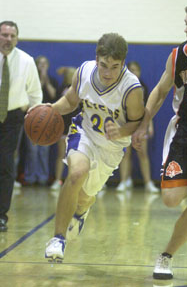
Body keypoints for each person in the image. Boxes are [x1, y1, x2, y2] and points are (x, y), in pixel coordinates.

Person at [33, 33, 145, 262]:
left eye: (114, 67)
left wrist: (122, 131)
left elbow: (137, 122)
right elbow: (72, 101)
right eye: (103, 65)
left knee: (84, 197)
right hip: (84, 132)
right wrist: (51, 109)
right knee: (76, 173)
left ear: (123, 63)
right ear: (96, 58)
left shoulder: (132, 88)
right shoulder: (84, 71)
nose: (107, 72)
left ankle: (82, 211)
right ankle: (58, 239)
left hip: (111, 149)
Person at [132, 1, 187, 280]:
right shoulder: (178, 55)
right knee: (170, 200)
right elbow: (160, 91)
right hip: (186, 133)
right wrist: (143, 124)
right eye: (186, 23)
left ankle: (165, 256)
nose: (186, 28)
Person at [0, 21, 42, 231]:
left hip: (12, 117)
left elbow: (35, 93)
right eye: (4, 35)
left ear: (17, 38)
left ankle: (1, 215)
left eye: (12, 36)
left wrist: (37, 122)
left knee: (6, 165)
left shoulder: (26, 61)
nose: (8, 39)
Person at [116, 61, 159, 193]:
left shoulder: (143, 87)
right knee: (125, 154)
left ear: (139, 72)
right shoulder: (121, 87)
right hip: (126, 124)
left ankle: (148, 183)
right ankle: (123, 181)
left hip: (140, 125)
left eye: (136, 70)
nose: (134, 72)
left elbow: (147, 108)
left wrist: (149, 124)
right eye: (131, 70)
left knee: (142, 154)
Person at [24, 55, 58, 186]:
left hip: (47, 120)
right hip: (32, 118)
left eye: (45, 63)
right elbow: (35, 95)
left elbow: (53, 94)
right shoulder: (31, 80)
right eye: (40, 63)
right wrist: (41, 80)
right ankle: (30, 177)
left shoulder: (53, 80)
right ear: (36, 65)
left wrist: (46, 79)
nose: (42, 66)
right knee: (31, 150)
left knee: (44, 151)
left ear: (48, 65)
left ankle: (43, 177)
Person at [50, 66, 82, 191]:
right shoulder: (61, 89)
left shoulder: (79, 90)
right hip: (63, 126)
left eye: (72, 73)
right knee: (61, 155)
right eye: (69, 74)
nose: (71, 75)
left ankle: (75, 181)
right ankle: (58, 180)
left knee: (77, 157)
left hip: (76, 127)